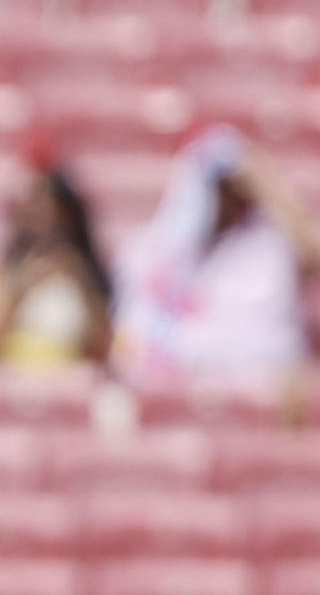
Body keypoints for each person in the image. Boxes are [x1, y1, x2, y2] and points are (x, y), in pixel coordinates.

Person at [114, 124, 320, 408]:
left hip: (258, 387)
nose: (227, 202)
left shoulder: (267, 243)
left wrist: (267, 185)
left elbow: (311, 252)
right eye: (220, 191)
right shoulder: (160, 251)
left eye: (235, 191)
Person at [0, 166, 113, 366]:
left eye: (47, 208)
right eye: (31, 208)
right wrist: (25, 285)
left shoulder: (85, 269)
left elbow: (105, 348)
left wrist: (80, 281)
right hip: (9, 387)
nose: (40, 218)